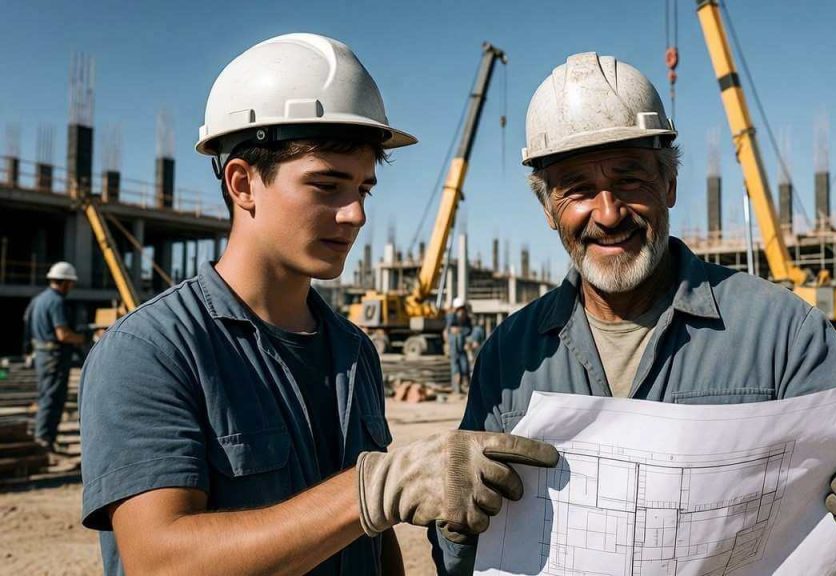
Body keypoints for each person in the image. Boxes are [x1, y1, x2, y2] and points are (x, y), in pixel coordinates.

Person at [430, 52, 836, 576]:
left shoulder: (781, 335)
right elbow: (471, 556)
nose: (608, 214)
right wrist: (453, 524)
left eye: (631, 180)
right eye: (579, 189)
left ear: (669, 186)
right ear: (548, 209)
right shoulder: (512, 353)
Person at [78, 34, 558, 576]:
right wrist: (372, 490)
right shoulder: (153, 352)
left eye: (363, 189)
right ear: (242, 183)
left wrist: (376, 508)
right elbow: (159, 562)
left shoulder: (353, 351)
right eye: (327, 186)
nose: (355, 214)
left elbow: (373, 547)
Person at [24, 261, 86, 451]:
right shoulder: (57, 301)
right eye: (71, 283)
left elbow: (27, 323)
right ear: (65, 282)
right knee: (53, 398)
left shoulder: (38, 299)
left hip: (42, 354)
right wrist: (83, 338)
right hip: (55, 357)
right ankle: (45, 439)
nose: (72, 287)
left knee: (44, 395)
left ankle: (43, 435)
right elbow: (63, 335)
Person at [445, 297, 473, 393]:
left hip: (462, 348)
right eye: (459, 309)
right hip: (454, 349)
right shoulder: (451, 317)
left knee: (465, 367)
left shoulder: (466, 321)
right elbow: (449, 329)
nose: (461, 312)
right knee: (455, 368)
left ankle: (466, 386)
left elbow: (469, 330)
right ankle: (456, 388)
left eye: (462, 309)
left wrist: (461, 331)